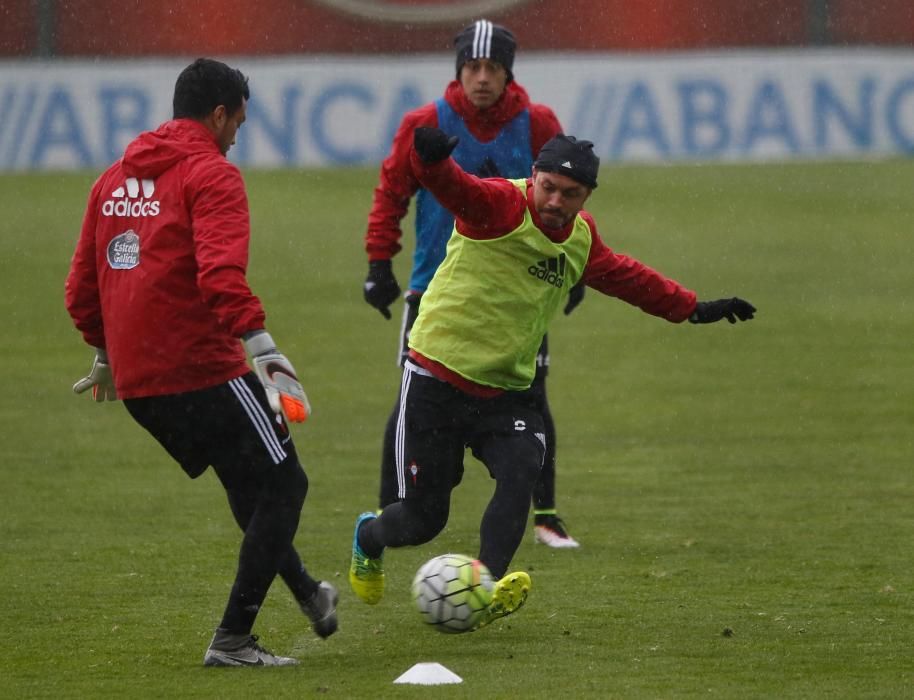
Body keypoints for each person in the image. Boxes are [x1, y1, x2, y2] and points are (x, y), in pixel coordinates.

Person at [349, 127, 756, 626]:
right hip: (437, 378)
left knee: (522, 469)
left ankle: (486, 586)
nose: (556, 201)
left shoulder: (581, 239)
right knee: (421, 521)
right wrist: (429, 162)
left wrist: (695, 309)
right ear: (533, 177)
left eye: (571, 194)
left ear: (586, 196)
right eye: (549, 187)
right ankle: (369, 536)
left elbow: (629, 278)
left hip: (506, 391)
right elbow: (455, 187)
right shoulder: (499, 204)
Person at [65, 58, 338, 667]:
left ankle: (309, 593)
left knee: (249, 484)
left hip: (140, 384)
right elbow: (219, 275)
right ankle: (233, 639)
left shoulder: (112, 179)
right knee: (285, 484)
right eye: (237, 121)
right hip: (202, 369)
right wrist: (263, 347)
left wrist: (106, 351)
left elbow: (82, 288)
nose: (237, 134)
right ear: (218, 114)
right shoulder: (212, 176)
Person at [363, 18, 582, 548]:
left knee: (533, 399)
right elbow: (392, 193)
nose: (482, 77)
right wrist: (378, 263)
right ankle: (390, 511)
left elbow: (565, 196)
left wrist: (578, 267)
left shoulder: (537, 123)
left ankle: (547, 516)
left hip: (517, 293)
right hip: (435, 292)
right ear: (459, 69)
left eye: (493, 68)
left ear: (509, 74)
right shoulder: (425, 121)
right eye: (472, 66)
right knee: (410, 402)